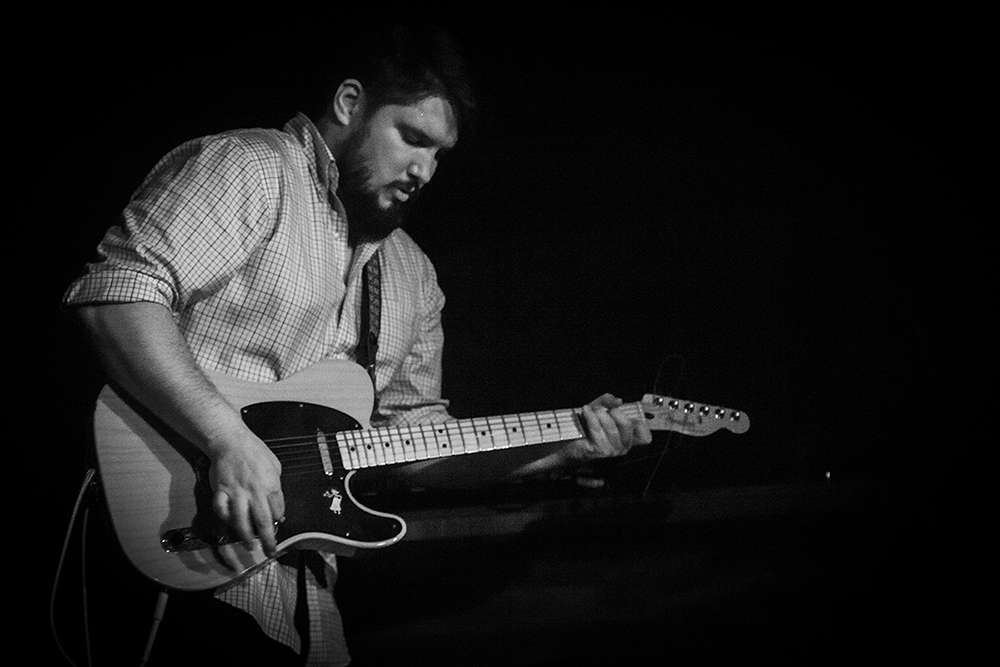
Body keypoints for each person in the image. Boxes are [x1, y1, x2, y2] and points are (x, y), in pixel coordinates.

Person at [63, 21, 652, 666]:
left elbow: (413, 443)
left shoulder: (412, 274)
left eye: (439, 155)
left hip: (300, 598)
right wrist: (226, 440)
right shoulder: (251, 170)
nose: (424, 170)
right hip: (177, 550)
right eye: (412, 138)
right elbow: (117, 296)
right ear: (350, 105)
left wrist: (558, 447)